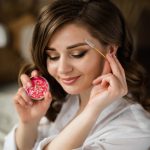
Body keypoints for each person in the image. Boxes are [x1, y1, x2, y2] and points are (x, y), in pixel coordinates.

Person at [4, 0, 150, 150]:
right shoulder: (68, 100)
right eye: (53, 56)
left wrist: (92, 110)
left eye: (77, 54)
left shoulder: (134, 131)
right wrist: (29, 123)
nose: (62, 69)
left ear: (110, 51)